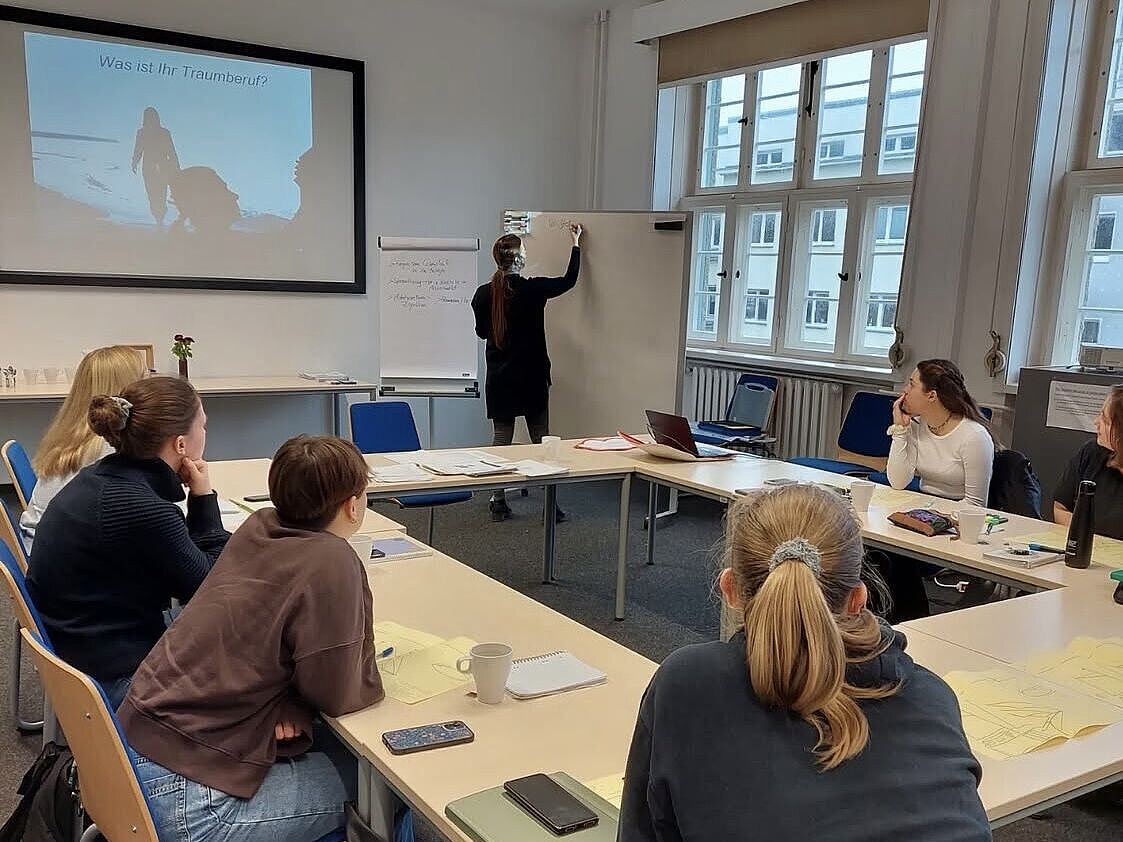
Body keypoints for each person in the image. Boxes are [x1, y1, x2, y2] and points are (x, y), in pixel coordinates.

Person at [618, 485, 989, 842]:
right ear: (858, 599)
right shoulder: (932, 697)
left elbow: (645, 831)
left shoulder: (688, 684)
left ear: (730, 589)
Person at [120, 435, 388, 842]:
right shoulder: (331, 559)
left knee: (334, 751)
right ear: (353, 505)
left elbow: (256, 639)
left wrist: (288, 699)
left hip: (128, 757)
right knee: (383, 781)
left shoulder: (258, 525)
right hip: (194, 803)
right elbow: (338, 694)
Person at [26, 376, 229, 707]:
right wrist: (203, 498)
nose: (206, 434)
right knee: (256, 656)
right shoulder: (143, 509)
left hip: (82, 647)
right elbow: (208, 587)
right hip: (119, 677)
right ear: (180, 445)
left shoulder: (100, 479)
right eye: (203, 427)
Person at [470, 224, 583, 522]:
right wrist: (575, 243)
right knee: (541, 441)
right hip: (532, 377)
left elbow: (483, 333)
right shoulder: (533, 289)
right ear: (518, 260)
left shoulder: (482, 295)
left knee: (501, 439)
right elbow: (569, 280)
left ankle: (498, 499)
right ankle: (551, 504)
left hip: (500, 378)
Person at [19, 345, 148, 551]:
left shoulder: (73, 437)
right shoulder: (109, 450)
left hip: (42, 549)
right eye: (145, 378)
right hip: (65, 563)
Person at [886, 359, 996, 507]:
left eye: (912, 384)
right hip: (925, 505)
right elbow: (898, 482)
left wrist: (933, 515)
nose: (905, 390)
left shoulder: (974, 436)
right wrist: (900, 430)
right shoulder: (916, 425)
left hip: (958, 515)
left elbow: (975, 503)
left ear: (932, 396)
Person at [1053, 385, 1123, 540]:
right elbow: (1060, 508)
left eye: (1105, 420)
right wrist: (1088, 540)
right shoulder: (1091, 453)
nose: (1096, 422)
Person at [131, 106, 180, 225]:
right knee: (156, 193)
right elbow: (138, 149)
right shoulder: (147, 132)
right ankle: (159, 217)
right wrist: (134, 161)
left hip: (156, 168)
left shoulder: (157, 133)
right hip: (156, 168)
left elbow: (171, 150)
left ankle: (159, 218)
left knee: (156, 193)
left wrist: (134, 162)